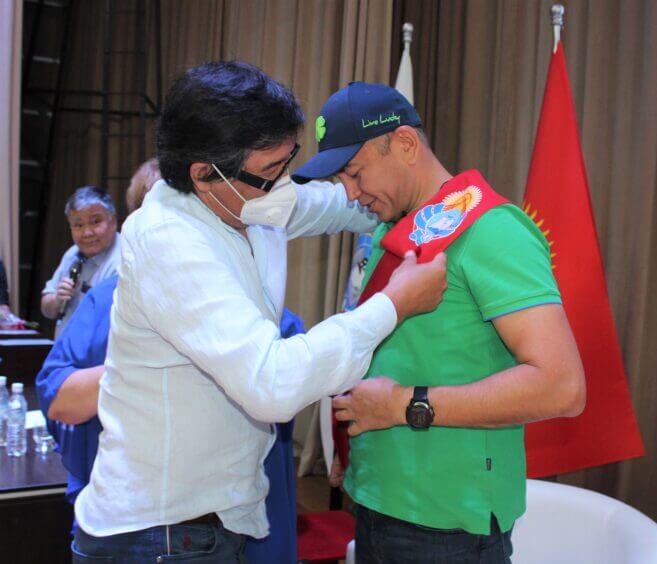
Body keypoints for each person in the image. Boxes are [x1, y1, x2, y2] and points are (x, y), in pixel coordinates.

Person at [71, 61, 446, 563]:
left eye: (287, 163)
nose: (283, 182)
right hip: (159, 534)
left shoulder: (244, 194)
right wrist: (393, 304)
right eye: (272, 170)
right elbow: (271, 383)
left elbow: (337, 204)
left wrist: (419, 193)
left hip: (205, 523)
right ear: (204, 174)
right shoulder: (169, 239)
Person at [292, 81, 586, 564]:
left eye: (355, 173)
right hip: (379, 501)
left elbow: (562, 386)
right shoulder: (395, 227)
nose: (350, 194)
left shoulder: (493, 229)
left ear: (405, 144)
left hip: (447, 524)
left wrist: (404, 405)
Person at [41, 186, 120, 337]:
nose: (87, 233)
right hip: (64, 349)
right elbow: (46, 308)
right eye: (78, 225)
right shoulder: (73, 253)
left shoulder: (124, 260)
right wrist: (57, 300)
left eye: (96, 222)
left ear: (113, 221)